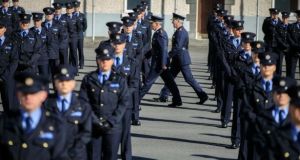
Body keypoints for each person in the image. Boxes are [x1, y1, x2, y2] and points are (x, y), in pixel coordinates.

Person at [0, 72, 69, 160]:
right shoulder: (5, 122)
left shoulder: (55, 124)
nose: (28, 97)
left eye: (33, 93)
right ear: (18, 94)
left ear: (43, 96)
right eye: (24, 93)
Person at [79, 44, 130, 160]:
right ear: (97, 60)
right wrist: (95, 121)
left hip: (113, 128)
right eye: (102, 59)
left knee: (111, 157)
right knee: (93, 156)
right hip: (93, 127)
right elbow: (83, 102)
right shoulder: (89, 79)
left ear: (112, 60)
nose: (104, 62)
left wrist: (111, 122)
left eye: (107, 59)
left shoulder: (120, 80)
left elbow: (124, 102)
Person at [45, 65, 92, 160]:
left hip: (75, 155)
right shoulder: (45, 104)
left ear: (73, 83)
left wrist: (73, 151)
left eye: (67, 81)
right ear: (55, 82)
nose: (64, 84)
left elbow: (86, 132)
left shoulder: (82, 105)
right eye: (61, 81)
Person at [240, 52, 278, 160]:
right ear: (260, 66)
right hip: (255, 131)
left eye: (269, 65)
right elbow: (246, 109)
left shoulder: (279, 89)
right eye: (264, 65)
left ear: (274, 67)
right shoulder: (252, 86)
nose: (266, 67)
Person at [139, 15, 182, 107]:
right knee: (170, 82)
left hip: (159, 64)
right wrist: (145, 56)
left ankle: (135, 100)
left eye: (152, 23)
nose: (151, 25)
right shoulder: (157, 33)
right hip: (161, 63)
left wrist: (163, 64)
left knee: (148, 82)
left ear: (157, 24)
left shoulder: (161, 34)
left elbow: (163, 50)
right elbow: (155, 49)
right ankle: (177, 100)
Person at [110, 33, 139, 159]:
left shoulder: (131, 62)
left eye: (120, 43)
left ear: (124, 44)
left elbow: (134, 83)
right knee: (110, 133)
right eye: (115, 43)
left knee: (125, 133)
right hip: (109, 103)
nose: (117, 46)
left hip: (125, 103)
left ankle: (126, 157)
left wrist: (122, 94)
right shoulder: (106, 60)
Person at [42, 7, 67, 79]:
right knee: (45, 73)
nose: (48, 16)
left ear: (53, 15)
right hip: (44, 53)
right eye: (47, 14)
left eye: (50, 14)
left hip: (54, 53)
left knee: (54, 73)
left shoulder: (58, 25)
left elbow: (63, 38)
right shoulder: (42, 25)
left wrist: (57, 48)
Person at [0, 21, 18, 112]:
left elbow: (14, 61)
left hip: (6, 77)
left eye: (0, 27)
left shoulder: (11, 42)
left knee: (8, 103)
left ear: (5, 29)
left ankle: (8, 123)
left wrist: (4, 76)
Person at [31, 12, 49, 79]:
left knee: (44, 80)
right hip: (33, 60)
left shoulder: (46, 31)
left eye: (38, 21)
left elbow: (49, 44)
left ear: (41, 21)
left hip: (43, 59)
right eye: (35, 21)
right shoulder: (30, 31)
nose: (36, 22)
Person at [73, 1, 87, 69]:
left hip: (80, 36)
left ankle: (81, 63)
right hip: (73, 36)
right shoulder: (71, 15)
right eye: (75, 7)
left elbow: (85, 25)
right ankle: (74, 64)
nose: (76, 8)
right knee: (73, 50)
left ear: (79, 7)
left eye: (77, 7)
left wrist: (81, 31)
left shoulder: (82, 15)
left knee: (80, 50)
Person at [287, 10, 300, 79]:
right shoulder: (291, 26)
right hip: (293, 50)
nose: (299, 18)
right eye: (298, 16)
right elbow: (289, 38)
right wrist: (296, 46)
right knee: (291, 70)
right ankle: (291, 86)